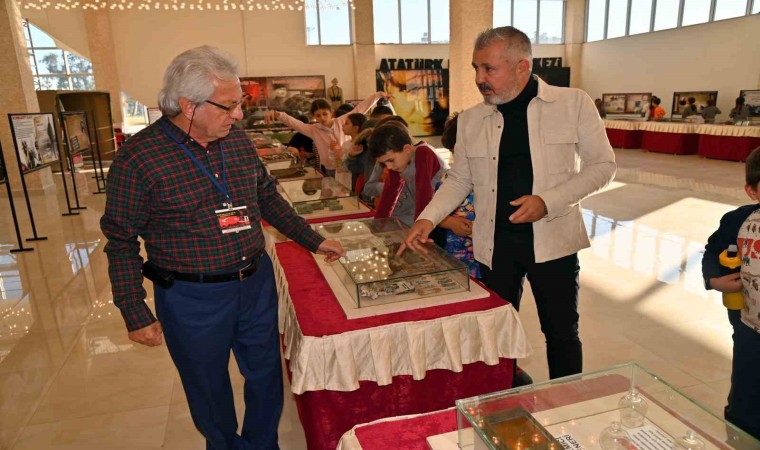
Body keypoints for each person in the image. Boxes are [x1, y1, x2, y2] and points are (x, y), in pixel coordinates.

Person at [99, 46, 345, 450]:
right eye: (229, 106)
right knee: (207, 385)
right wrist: (133, 308)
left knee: (266, 374)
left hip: (254, 283)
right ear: (188, 105)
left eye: (239, 105)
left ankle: (263, 444)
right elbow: (121, 240)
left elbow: (268, 198)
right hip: (191, 296)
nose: (238, 115)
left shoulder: (238, 143)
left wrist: (314, 240)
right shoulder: (139, 158)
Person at [399, 26, 616, 380]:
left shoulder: (573, 103)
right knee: (496, 335)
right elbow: (459, 179)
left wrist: (548, 201)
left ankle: (567, 405)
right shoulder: (471, 120)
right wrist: (428, 218)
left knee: (561, 334)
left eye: (489, 69)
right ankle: (502, 401)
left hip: (554, 242)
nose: (479, 79)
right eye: (475, 68)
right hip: (493, 244)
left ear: (521, 66)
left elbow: (603, 167)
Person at [702, 147, 760, 440]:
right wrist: (714, 280)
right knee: (745, 402)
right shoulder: (738, 221)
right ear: (751, 191)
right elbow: (713, 250)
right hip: (750, 328)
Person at [265, 92, 387, 177]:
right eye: (318, 115)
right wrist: (277, 114)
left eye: (325, 114)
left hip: (348, 165)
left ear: (331, 112)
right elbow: (294, 123)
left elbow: (359, 109)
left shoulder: (342, 121)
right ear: (313, 116)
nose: (322, 118)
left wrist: (378, 96)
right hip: (330, 168)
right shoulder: (313, 129)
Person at [429, 114, 480, 278]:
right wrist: (449, 222)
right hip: (455, 259)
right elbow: (436, 214)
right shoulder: (447, 179)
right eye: (454, 152)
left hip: (491, 262)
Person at [368, 121, 445, 227]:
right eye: (384, 163)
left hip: (443, 216)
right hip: (430, 217)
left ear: (407, 149)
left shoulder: (423, 153)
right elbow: (388, 194)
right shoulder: (398, 163)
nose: (389, 167)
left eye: (390, 160)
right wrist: (377, 226)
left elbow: (423, 194)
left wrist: (418, 228)